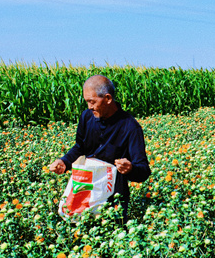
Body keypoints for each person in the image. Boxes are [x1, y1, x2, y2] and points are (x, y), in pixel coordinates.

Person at [49, 75, 151, 220]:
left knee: (111, 228)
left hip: (113, 196)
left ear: (108, 99)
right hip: (85, 187)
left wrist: (130, 169)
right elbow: (80, 148)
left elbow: (143, 170)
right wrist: (64, 162)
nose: (89, 107)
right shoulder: (87, 117)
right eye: (87, 102)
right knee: (77, 223)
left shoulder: (130, 127)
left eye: (92, 102)